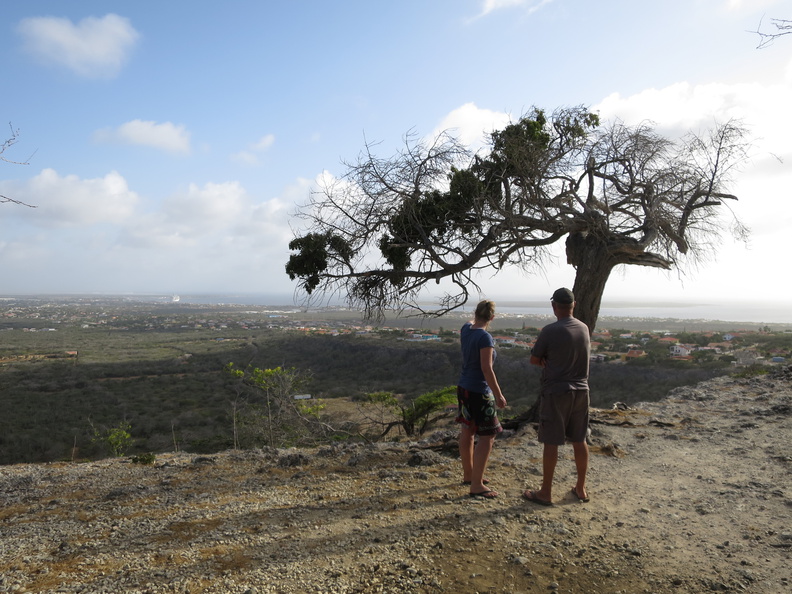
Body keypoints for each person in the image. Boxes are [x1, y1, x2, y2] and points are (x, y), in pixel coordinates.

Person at [523, 288, 591, 506]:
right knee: (579, 439)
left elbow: (534, 359)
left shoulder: (550, 330)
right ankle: (580, 487)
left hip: (556, 391)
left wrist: (546, 361)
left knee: (551, 441)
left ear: (554, 306)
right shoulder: (584, 328)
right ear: (574, 305)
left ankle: (545, 492)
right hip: (581, 391)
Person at [456, 300, 508, 498]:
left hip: (464, 387)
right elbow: (487, 369)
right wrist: (498, 394)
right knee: (487, 437)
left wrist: (477, 317)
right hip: (479, 391)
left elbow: (470, 322)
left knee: (467, 431)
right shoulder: (485, 338)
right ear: (492, 318)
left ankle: (469, 474)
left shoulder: (466, 329)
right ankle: (476, 484)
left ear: (475, 314)